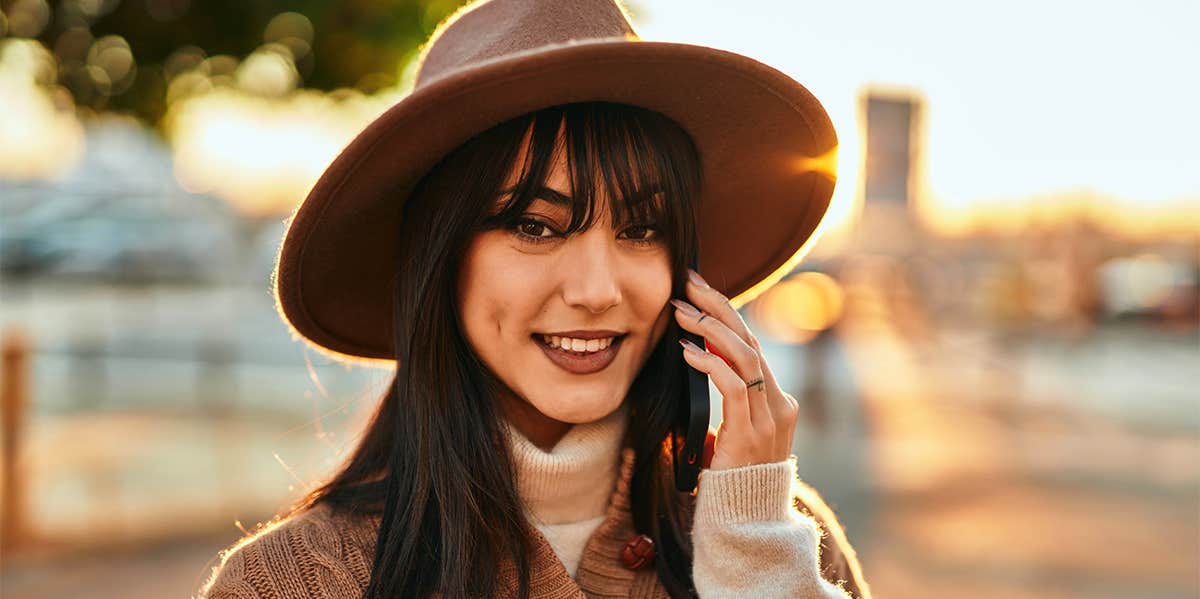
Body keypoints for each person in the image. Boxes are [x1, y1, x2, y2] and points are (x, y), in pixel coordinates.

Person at [198, 1, 870, 598]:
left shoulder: (781, 539)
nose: (597, 291)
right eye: (534, 226)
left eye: (642, 229)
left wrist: (753, 560)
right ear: (442, 260)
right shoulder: (295, 582)